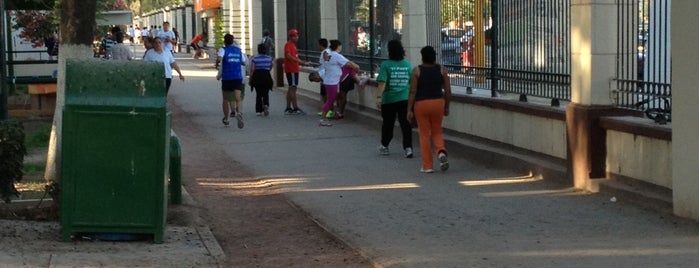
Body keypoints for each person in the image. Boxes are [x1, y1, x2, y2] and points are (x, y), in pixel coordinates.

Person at [407, 46, 452, 173]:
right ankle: (441, 152)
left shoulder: (417, 71)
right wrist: (447, 106)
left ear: (422, 57)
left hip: (421, 104)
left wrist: (409, 109)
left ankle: (427, 166)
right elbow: (448, 91)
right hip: (438, 103)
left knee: (424, 134)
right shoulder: (442, 70)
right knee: (437, 131)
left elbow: (412, 92)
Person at [375, 39, 413, 158]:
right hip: (404, 99)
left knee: (388, 124)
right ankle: (408, 148)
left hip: (389, 100)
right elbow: (412, 82)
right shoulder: (407, 65)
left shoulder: (386, 65)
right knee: (405, 124)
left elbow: (382, 83)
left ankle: (385, 145)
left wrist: (379, 97)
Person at [318, 40, 359, 127]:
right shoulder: (336, 55)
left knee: (332, 98)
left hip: (329, 80)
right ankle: (322, 119)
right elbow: (348, 63)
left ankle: (328, 116)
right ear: (338, 47)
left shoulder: (328, 54)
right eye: (340, 46)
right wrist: (356, 67)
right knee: (330, 100)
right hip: (332, 81)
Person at [216, 34, 246, 128]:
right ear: (232, 41)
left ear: (224, 41)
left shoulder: (223, 50)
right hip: (237, 77)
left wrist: (217, 63)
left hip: (227, 77)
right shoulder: (238, 51)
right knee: (238, 98)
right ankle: (239, 113)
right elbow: (244, 62)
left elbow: (219, 59)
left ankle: (226, 118)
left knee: (225, 99)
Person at [283, 28, 310, 115]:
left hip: (293, 69)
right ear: (291, 37)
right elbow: (289, 56)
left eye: (297, 35)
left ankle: (288, 107)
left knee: (291, 88)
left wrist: (302, 63)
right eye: (295, 36)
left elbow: (295, 57)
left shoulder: (293, 46)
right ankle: (295, 108)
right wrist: (301, 62)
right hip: (291, 70)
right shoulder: (288, 45)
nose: (297, 37)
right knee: (293, 88)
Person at [249, 43, 274, 116]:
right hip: (266, 76)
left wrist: (251, 78)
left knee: (258, 94)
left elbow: (252, 69)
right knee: (266, 92)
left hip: (257, 76)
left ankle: (259, 110)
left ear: (258, 50)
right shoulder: (269, 58)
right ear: (265, 50)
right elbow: (271, 66)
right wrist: (267, 70)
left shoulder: (255, 58)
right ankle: (266, 104)